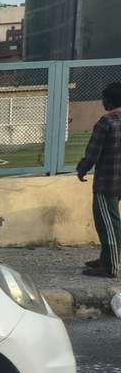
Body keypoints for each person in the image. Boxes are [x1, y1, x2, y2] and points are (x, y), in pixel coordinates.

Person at [77, 82, 121, 278]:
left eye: (104, 98)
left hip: (108, 181)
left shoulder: (106, 122)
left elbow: (93, 153)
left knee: (107, 223)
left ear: (109, 100)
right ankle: (106, 257)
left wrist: (82, 169)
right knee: (112, 220)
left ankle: (111, 265)